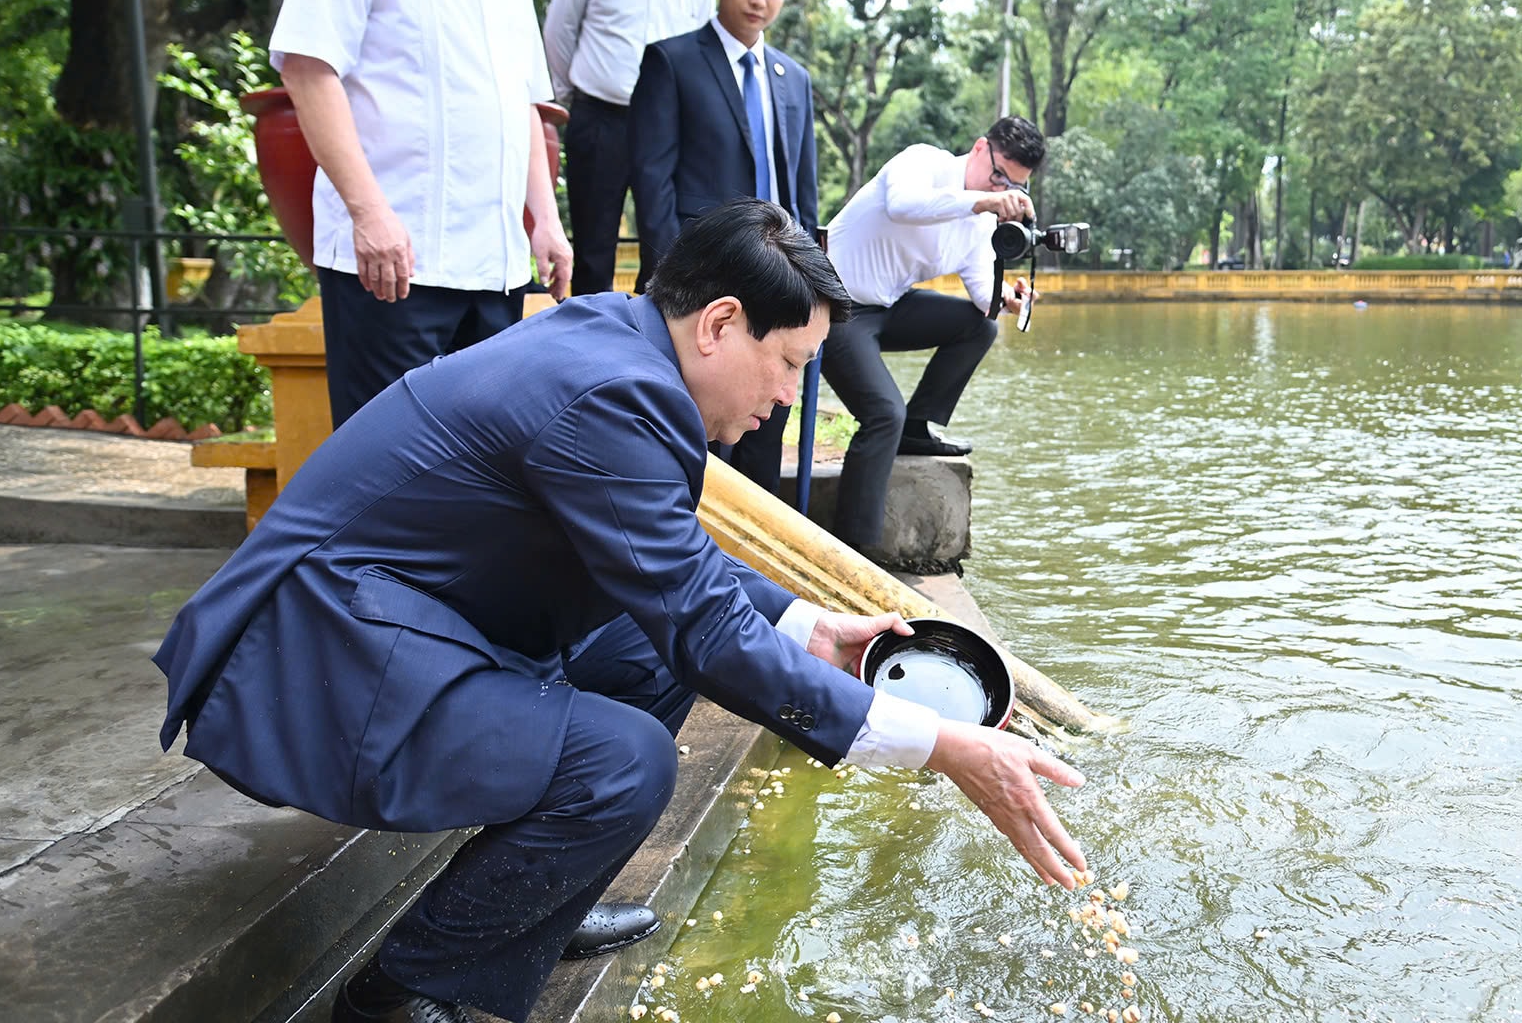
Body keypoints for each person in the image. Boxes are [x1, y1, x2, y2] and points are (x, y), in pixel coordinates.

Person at [150, 200, 1085, 1023]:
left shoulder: (619, 339)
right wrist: (943, 745)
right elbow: (705, 628)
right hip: (319, 655)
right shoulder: (610, 395)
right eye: (789, 364)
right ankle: (398, 993)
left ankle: (533, 906)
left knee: (647, 656)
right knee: (623, 762)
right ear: (721, 323)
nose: (787, 396)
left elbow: (668, 565)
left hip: (403, 617)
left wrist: (808, 626)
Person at [271, 0, 572, 430]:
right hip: (392, 266)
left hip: (494, 273)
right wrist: (369, 213)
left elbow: (521, 102)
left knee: (485, 463)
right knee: (386, 462)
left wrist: (545, 220)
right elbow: (309, 71)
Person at [629, 0, 819, 495]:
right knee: (690, 446)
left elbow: (802, 195)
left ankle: (753, 555)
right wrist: (676, 285)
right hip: (702, 287)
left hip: (779, 286)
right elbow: (654, 184)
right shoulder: (672, 62)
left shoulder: (793, 79)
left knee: (763, 442)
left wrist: (812, 291)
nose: (760, 0)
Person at [820, 117, 1046, 555]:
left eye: (1014, 186)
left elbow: (983, 296)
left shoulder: (981, 222)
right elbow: (903, 206)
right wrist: (982, 201)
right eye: (999, 176)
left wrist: (1011, 299)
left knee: (980, 325)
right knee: (884, 414)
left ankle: (917, 427)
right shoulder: (922, 162)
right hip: (835, 306)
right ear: (979, 148)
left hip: (888, 306)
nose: (1001, 190)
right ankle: (854, 549)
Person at [541, 0, 722, 297]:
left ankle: (651, 336)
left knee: (665, 249)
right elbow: (559, 34)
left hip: (666, 131)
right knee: (593, 248)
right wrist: (571, 101)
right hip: (599, 119)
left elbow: (697, 62)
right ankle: (590, 337)